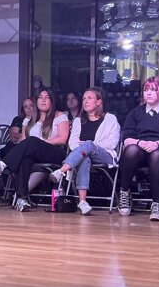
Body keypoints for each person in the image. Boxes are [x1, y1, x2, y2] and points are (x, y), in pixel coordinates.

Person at [0, 87, 70, 211]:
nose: (43, 100)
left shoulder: (60, 116)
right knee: (25, 158)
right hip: (35, 153)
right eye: (40, 97)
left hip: (54, 153)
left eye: (47, 97)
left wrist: (40, 143)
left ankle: (2, 165)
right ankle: (22, 199)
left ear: (52, 101)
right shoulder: (28, 119)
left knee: (32, 141)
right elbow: (23, 142)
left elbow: (62, 139)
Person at [115, 77, 159, 221]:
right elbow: (126, 137)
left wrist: (157, 144)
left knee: (156, 155)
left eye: (153, 89)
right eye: (145, 90)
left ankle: (157, 203)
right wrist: (139, 142)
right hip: (140, 147)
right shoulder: (135, 112)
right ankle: (124, 192)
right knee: (131, 150)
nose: (148, 93)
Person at [49, 87, 120, 215]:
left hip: (105, 155)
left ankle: (61, 171)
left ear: (99, 101)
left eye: (90, 98)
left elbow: (112, 142)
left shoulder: (110, 119)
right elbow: (72, 143)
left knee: (88, 145)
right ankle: (82, 202)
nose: (85, 101)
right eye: (84, 99)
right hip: (83, 155)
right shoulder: (78, 121)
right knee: (84, 157)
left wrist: (91, 145)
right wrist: (86, 148)